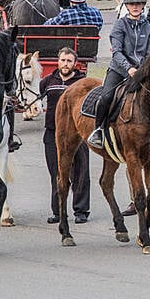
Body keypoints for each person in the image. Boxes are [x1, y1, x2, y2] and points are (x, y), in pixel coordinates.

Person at [87, 0, 150, 149]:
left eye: (139, 3)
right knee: (106, 97)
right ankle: (99, 130)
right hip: (119, 70)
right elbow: (116, 52)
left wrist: (142, 69)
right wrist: (129, 68)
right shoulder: (120, 25)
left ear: (143, 5)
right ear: (126, 6)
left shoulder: (149, 27)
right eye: (132, 4)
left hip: (141, 71)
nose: (135, 6)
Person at [41, 47, 90, 225]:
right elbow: (34, 99)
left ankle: (81, 210)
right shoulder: (48, 81)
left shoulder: (82, 82)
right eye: (63, 60)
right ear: (58, 61)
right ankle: (58, 211)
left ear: (75, 63)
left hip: (78, 133)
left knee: (80, 172)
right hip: (53, 133)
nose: (65, 64)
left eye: (69, 61)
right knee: (56, 172)